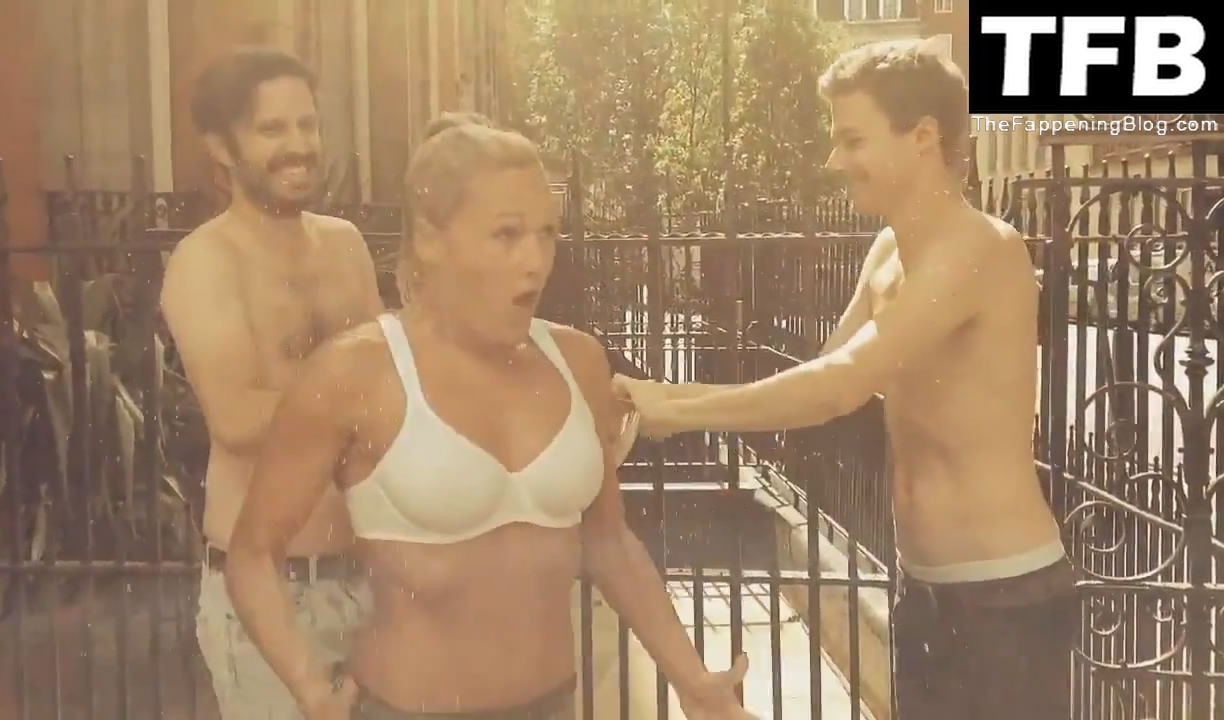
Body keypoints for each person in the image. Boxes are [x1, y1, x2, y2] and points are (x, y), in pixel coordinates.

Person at [223, 117, 755, 719]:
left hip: (552, 706)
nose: (536, 260)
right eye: (506, 234)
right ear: (431, 238)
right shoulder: (357, 373)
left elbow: (609, 543)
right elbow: (252, 553)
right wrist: (310, 687)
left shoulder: (577, 360)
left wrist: (690, 677)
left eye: (547, 233)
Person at [614, 37, 1079, 720]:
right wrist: (661, 394)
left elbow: (841, 386)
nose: (836, 160)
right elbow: (819, 378)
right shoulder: (889, 249)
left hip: (1003, 599)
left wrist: (676, 414)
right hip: (924, 590)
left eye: (853, 139)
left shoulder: (980, 248)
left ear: (923, 137)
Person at [159, 47, 383, 718]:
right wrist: (363, 397)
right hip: (272, 600)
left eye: (307, 125)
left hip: (372, 583)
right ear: (220, 147)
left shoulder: (346, 245)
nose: (299, 146)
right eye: (272, 129)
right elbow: (235, 416)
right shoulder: (206, 260)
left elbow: (390, 386)